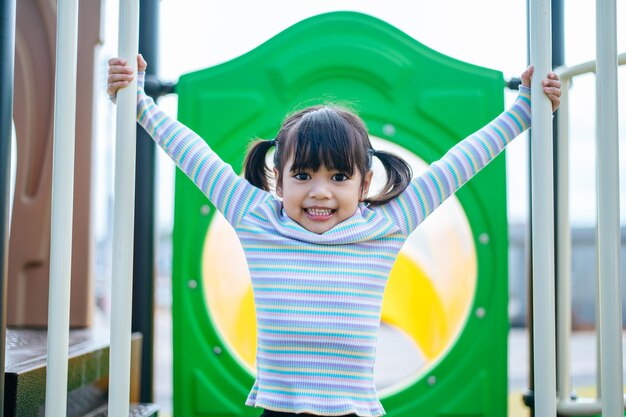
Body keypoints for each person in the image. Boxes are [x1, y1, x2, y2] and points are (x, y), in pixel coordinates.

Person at [108, 54, 560, 417]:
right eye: (302, 174)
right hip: (278, 410)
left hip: (352, 413)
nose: (319, 192)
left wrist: (524, 108)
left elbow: (456, 166)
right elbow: (193, 155)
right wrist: (139, 102)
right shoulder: (259, 219)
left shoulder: (383, 226)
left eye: (339, 176)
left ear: (363, 185)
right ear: (278, 182)